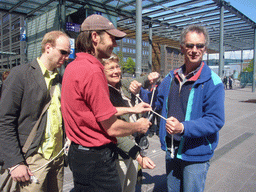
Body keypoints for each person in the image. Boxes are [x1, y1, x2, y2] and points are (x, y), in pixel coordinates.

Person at [61, 14, 152, 192]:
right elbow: (111, 128)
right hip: (97, 159)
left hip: (79, 155)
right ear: (95, 37)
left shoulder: (72, 66)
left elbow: (93, 111)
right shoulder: (93, 70)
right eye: (112, 38)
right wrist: (139, 126)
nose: (115, 44)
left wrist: (131, 108)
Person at [130, 25, 225, 192]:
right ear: (182, 47)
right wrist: (139, 91)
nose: (194, 50)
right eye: (190, 45)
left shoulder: (213, 82)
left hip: (196, 154)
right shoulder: (170, 77)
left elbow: (215, 120)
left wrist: (183, 127)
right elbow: (155, 102)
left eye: (199, 46)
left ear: (205, 49)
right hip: (172, 150)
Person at [0, 31, 71, 191]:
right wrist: (15, 162)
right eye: (63, 52)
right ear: (48, 47)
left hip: (57, 158)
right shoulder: (20, 74)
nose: (66, 57)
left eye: (68, 53)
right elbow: (4, 120)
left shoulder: (60, 79)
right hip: (31, 159)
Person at [102, 53, 156, 192]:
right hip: (117, 155)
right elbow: (115, 132)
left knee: (130, 188)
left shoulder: (121, 85)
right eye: (111, 68)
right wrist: (138, 156)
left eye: (117, 67)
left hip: (132, 150)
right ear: (102, 71)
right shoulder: (102, 92)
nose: (116, 71)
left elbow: (140, 81)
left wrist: (149, 78)